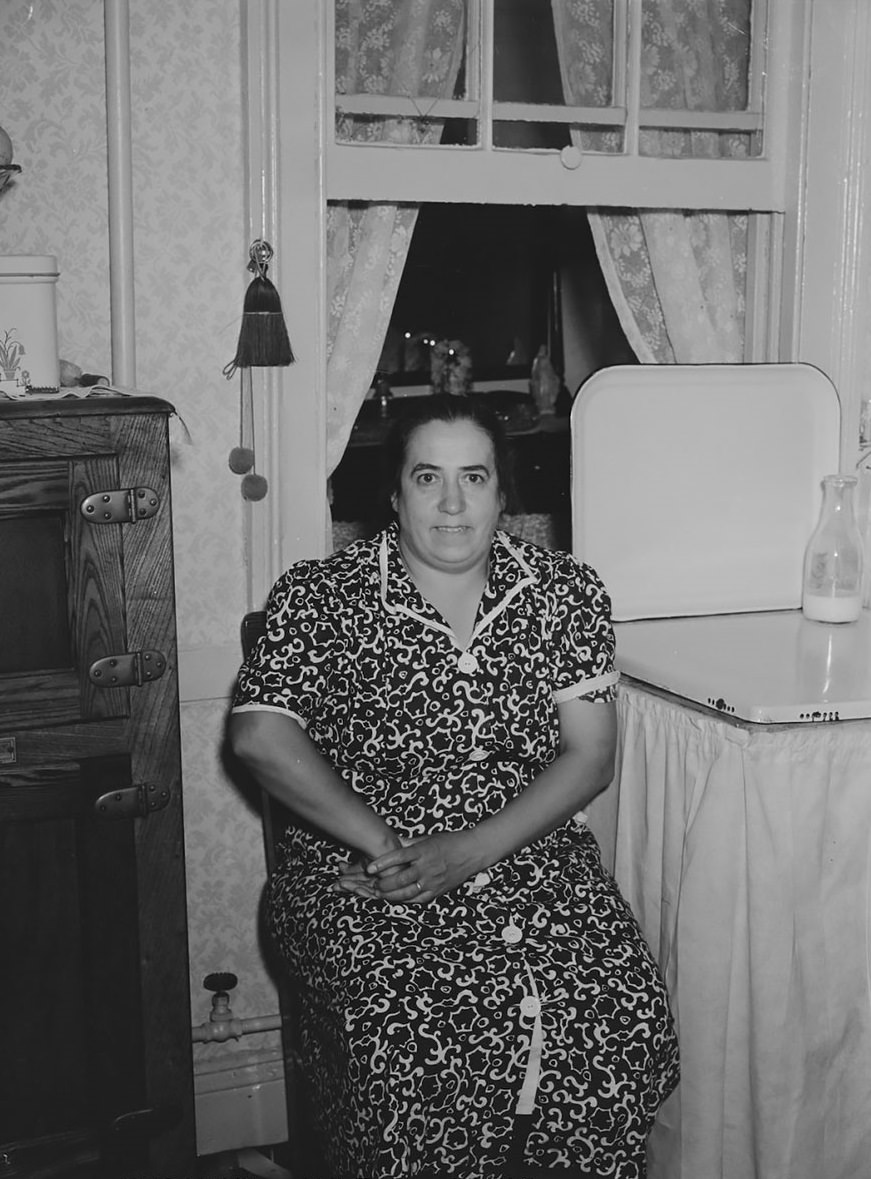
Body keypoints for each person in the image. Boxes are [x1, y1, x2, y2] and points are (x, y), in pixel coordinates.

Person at [229, 395, 679, 1179]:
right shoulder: (320, 595)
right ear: (394, 494)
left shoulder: (562, 591)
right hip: (362, 866)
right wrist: (390, 847)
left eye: (473, 477)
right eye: (426, 477)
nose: (450, 502)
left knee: (620, 1009)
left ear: (503, 493)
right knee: (410, 1032)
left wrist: (467, 852)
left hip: (526, 848)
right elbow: (259, 736)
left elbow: (589, 755)